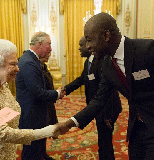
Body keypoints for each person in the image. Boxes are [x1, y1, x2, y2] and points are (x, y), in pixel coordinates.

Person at [54, 12, 154, 160]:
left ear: (106, 36)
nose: (87, 46)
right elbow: (99, 99)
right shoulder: (108, 65)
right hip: (137, 129)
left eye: (89, 40)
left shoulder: (147, 50)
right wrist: (69, 123)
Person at [0, 39, 58, 160]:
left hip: (5, 151)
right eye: (13, 64)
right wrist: (42, 132)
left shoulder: (2, 84)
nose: (18, 69)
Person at [63, 36, 122, 160]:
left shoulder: (102, 60)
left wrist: (107, 115)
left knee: (105, 142)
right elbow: (82, 79)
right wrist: (65, 89)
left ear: (89, 45)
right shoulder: (89, 61)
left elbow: (109, 90)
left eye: (81, 45)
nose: (79, 48)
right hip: (97, 108)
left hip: (107, 110)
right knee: (103, 140)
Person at [15, 31, 65, 160]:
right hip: (31, 114)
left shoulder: (33, 60)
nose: (51, 48)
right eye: (49, 44)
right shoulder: (28, 63)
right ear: (39, 43)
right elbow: (37, 92)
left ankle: (43, 156)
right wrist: (57, 94)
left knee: (39, 144)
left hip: (37, 112)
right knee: (31, 148)